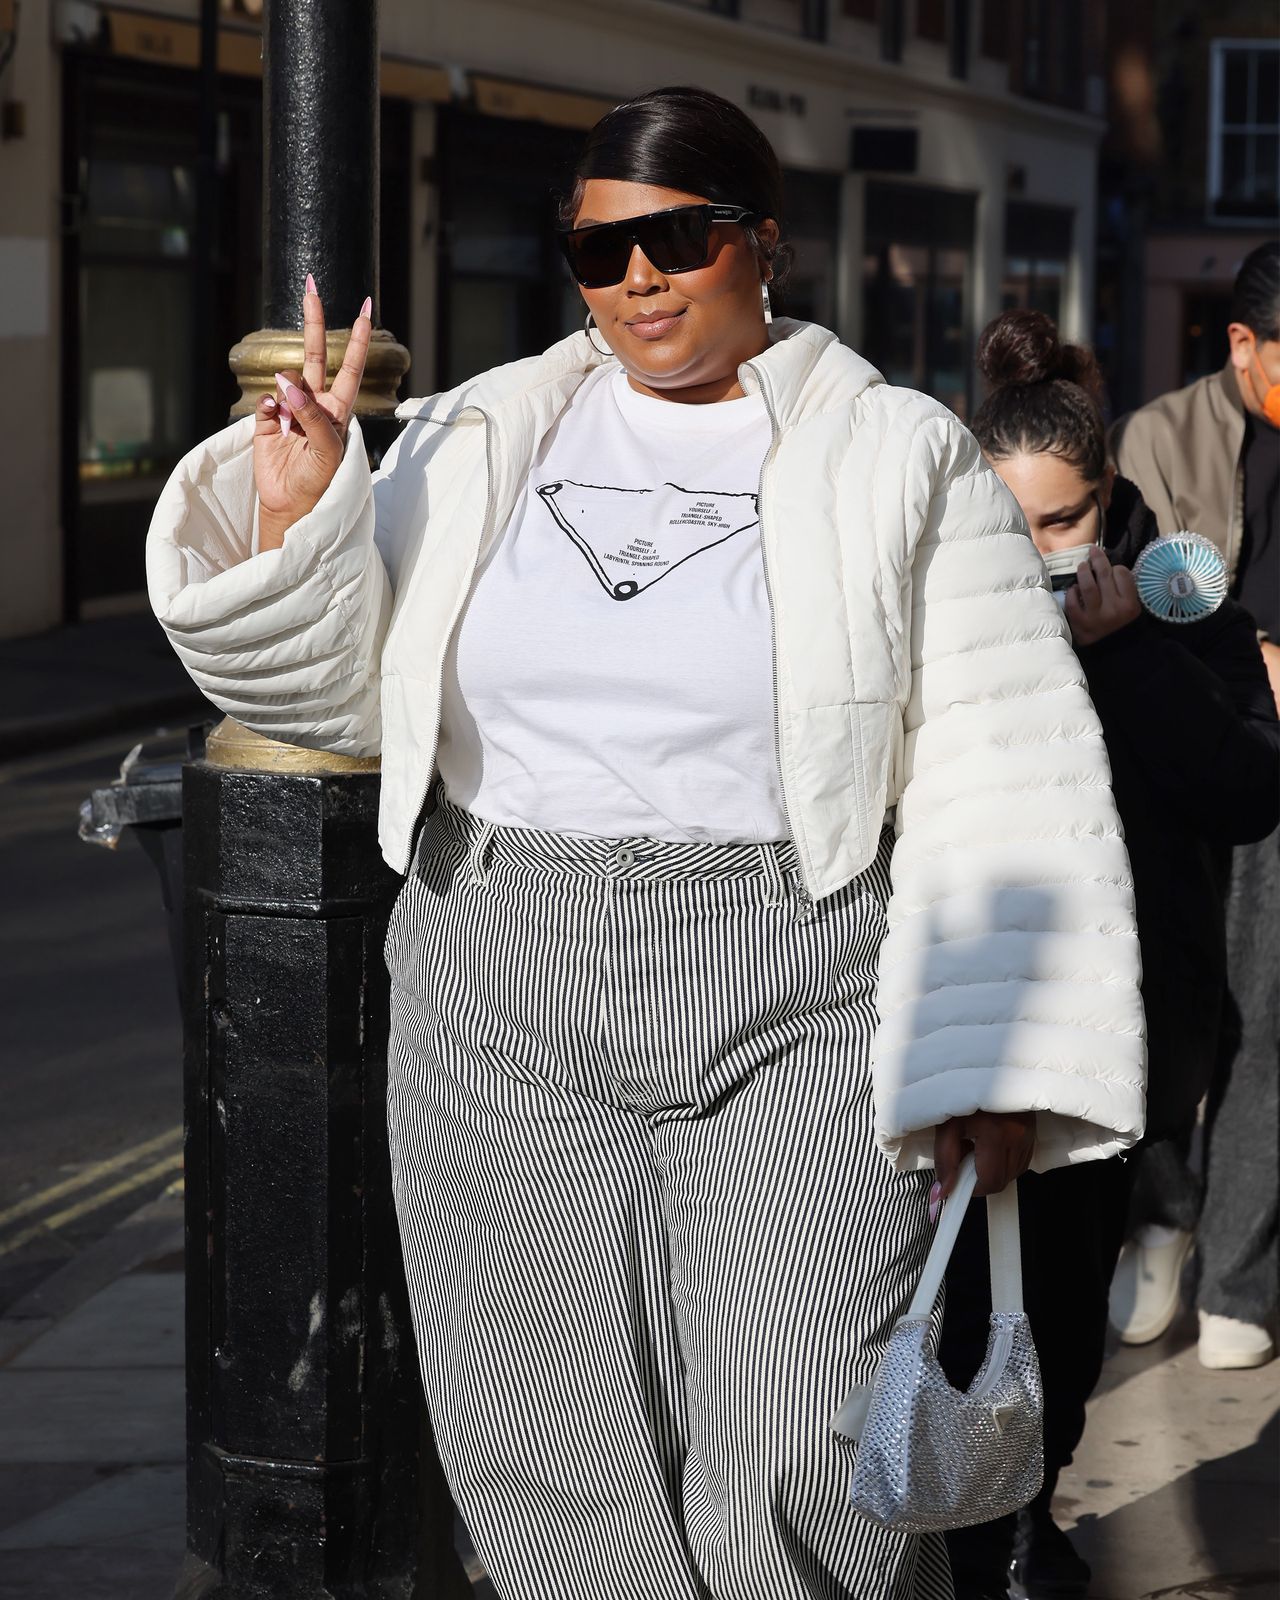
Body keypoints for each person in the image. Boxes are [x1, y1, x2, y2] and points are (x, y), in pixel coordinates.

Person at [146, 89, 1147, 1600]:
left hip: (797, 978)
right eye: (596, 252)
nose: (637, 283)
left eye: (676, 240)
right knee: (548, 1448)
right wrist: (298, 525)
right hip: (499, 969)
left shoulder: (897, 452)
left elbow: (1002, 760)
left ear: (761, 244)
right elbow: (349, 702)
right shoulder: (486, 432)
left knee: (813, 1438)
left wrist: (994, 1062)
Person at [939, 309, 1279, 1600]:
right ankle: (981, 1535)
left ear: (1109, 507)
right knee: (970, 1297)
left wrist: (1122, 653)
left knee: (1068, 1302)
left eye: (1062, 524)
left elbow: (1247, 783)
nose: (1036, 555)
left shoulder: (1174, 600)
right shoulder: (944, 602)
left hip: (1121, 1024)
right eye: (1010, 526)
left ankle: (1031, 1517)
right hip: (971, 1013)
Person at [1112, 241, 1280, 1371]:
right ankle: (1161, 1215)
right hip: (1188, 754)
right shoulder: (1160, 441)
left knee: (1268, 1013)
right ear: (1239, 346)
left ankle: (1238, 1266)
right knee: (1175, 996)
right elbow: (1148, 603)